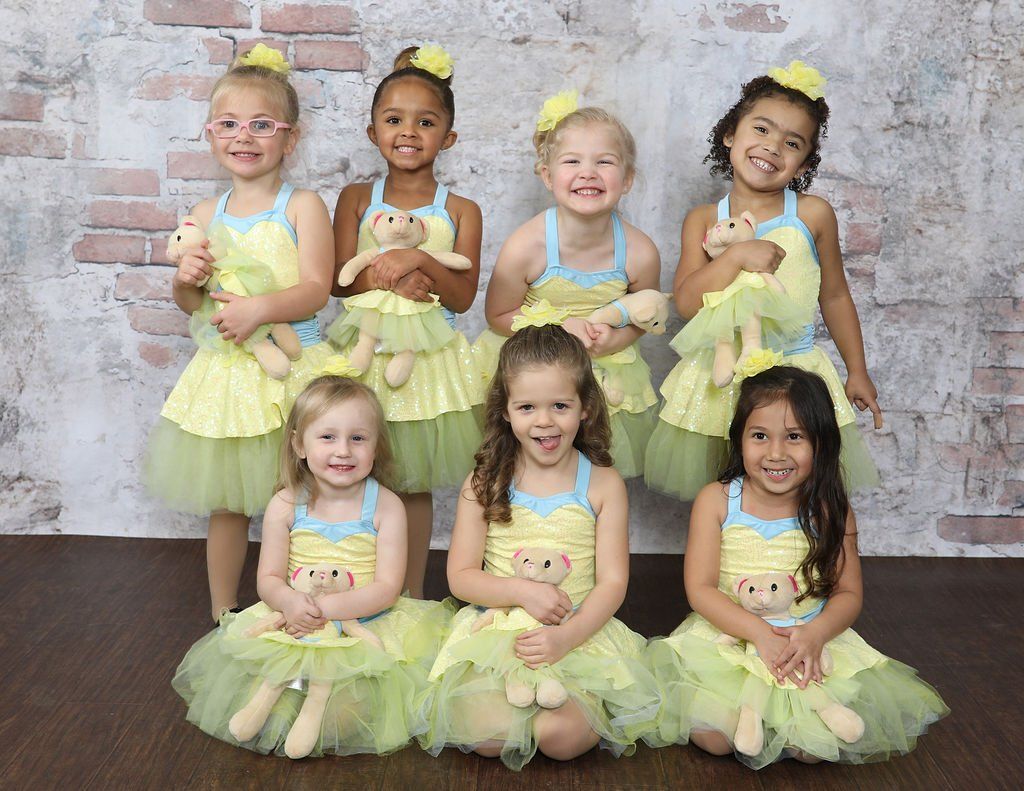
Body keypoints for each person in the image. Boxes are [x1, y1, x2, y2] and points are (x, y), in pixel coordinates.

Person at [643, 365, 947, 768]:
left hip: (807, 640)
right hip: (732, 635)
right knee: (713, 737)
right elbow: (700, 589)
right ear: (739, 439)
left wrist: (815, 634)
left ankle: (784, 722)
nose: (776, 453)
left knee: (814, 747)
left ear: (820, 443)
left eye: (795, 437)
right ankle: (762, 720)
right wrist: (758, 633)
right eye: (760, 436)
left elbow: (848, 593)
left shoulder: (828, 510)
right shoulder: (716, 501)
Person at [145, 44, 335, 622]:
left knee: (304, 491)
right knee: (228, 501)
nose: (243, 137)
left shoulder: (301, 205)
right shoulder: (205, 213)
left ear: (290, 139)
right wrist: (187, 279)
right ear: (210, 135)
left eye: (261, 125)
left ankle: (311, 601)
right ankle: (224, 611)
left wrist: (259, 309)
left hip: (292, 366)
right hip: (229, 373)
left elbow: (316, 287)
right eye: (228, 125)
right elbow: (191, 304)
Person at [173, 372, 452, 759]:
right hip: (295, 623)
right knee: (265, 692)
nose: (343, 451)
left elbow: (388, 588)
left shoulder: (386, 506)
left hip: (362, 623)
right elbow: (268, 578)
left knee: (345, 713)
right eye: (327, 437)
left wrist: (325, 611)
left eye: (358, 438)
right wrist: (289, 603)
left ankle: (324, 711)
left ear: (376, 446)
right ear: (299, 445)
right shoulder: (285, 504)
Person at [421, 324, 660, 770]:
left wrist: (566, 637)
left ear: (585, 408)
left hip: (577, 631)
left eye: (560, 406)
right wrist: (522, 592)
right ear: (506, 411)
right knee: (489, 736)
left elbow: (612, 582)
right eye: (527, 407)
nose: (545, 421)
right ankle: (511, 703)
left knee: (558, 738)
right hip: (499, 631)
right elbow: (461, 577)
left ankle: (569, 704)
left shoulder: (603, 484)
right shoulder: (484, 482)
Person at [646, 61, 881, 500]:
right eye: (761, 130)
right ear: (730, 134)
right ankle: (731, 563)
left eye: (791, 142)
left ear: (804, 162)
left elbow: (834, 296)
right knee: (722, 488)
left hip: (796, 373)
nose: (772, 147)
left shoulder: (812, 214)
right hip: (723, 376)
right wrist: (736, 255)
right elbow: (687, 303)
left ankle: (785, 563)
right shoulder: (703, 220)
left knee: (796, 483)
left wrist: (858, 371)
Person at [327, 44, 485, 598]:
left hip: (426, 367)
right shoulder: (354, 198)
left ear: (449, 136)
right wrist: (392, 277)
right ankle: (352, 585)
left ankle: (411, 594)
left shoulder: (460, 209)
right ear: (372, 132)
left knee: (413, 481)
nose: (409, 132)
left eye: (426, 121)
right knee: (353, 473)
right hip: (363, 354)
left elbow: (463, 297)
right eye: (394, 120)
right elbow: (337, 281)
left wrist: (420, 260)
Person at [474, 92, 661, 479]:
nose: (588, 172)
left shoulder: (639, 252)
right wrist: (558, 329)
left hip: (604, 375)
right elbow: (497, 315)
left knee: (597, 470)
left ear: (626, 179)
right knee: (526, 467)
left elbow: (646, 315)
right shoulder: (527, 246)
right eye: (572, 161)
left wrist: (615, 340)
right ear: (547, 175)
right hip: (536, 375)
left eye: (604, 162)